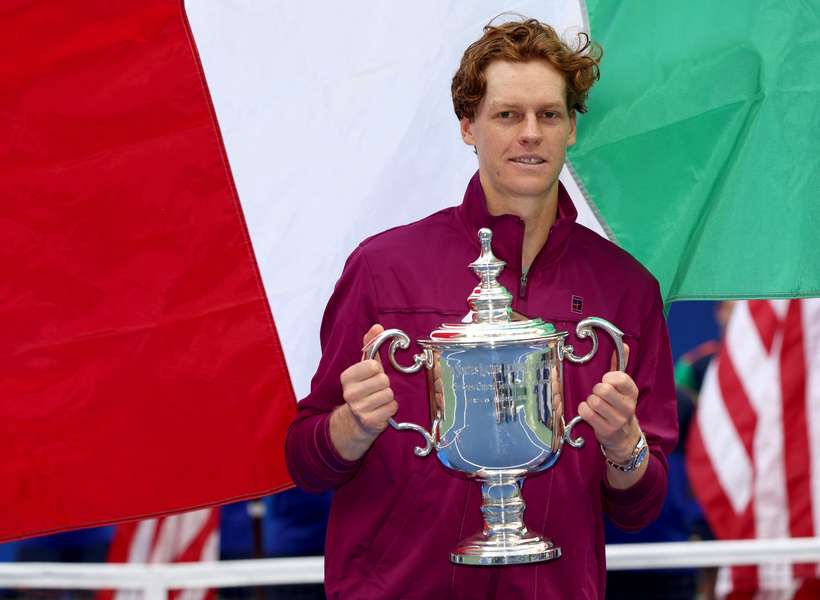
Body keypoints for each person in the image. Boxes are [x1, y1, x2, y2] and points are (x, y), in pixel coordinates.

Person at [285, 18, 677, 599]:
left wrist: (625, 448)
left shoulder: (625, 288)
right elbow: (307, 462)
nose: (530, 134)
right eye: (506, 115)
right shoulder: (382, 267)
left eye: (548, 115)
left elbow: (641, 506)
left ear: (572, 128)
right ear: (468, 127)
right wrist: (353, 425)